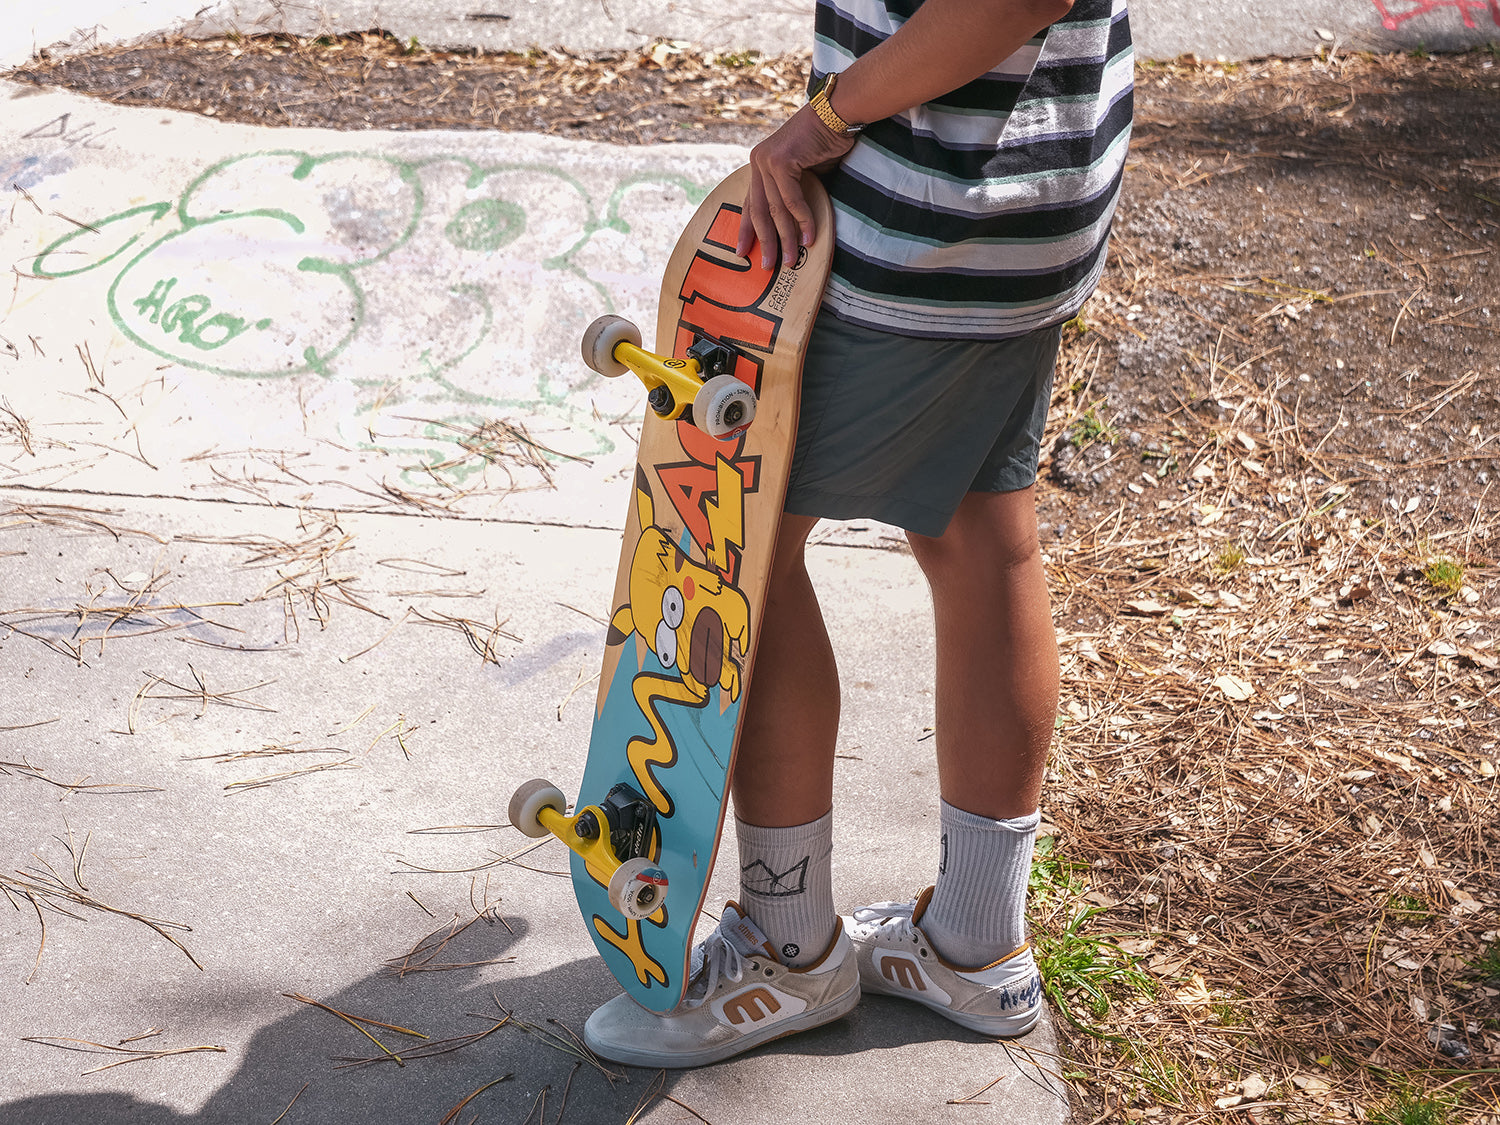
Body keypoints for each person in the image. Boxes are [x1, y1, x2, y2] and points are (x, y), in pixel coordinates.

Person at [583, 0, 1133, 1067]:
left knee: (745, 559)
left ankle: (790, 951)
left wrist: (825, 115)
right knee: (982, 540)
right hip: (1025, 210)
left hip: (920, 226)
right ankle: (973, 946)